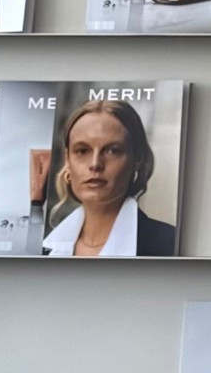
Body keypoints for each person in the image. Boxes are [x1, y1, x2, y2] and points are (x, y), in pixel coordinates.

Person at [42, 96, 180, 256]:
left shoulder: (168, 245)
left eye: (112, 151)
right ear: (67, 160)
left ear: (137, 158)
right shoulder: (43, 249)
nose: (95, 164)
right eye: (82, 151)